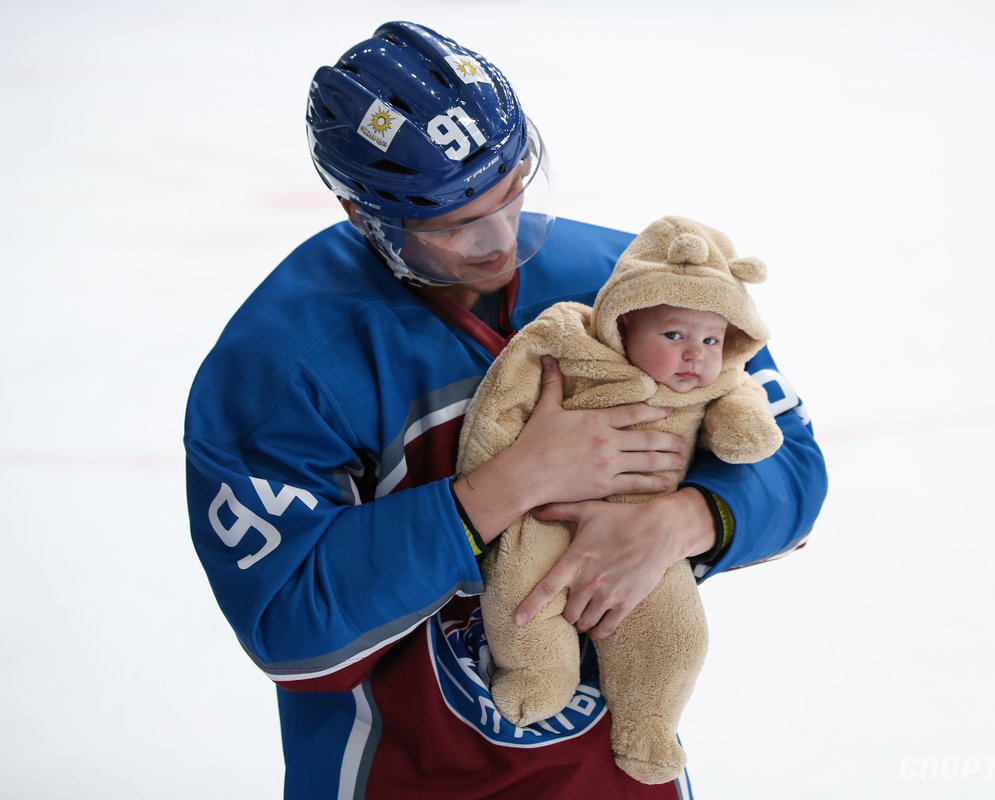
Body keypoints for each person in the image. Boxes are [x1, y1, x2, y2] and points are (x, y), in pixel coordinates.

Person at [184, 21, 827, 800]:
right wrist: (506, 487)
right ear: (365, 216)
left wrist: (681, 520)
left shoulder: (624, 282)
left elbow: (792, 461)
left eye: (514, 188)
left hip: (618, 775)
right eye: (454, 223)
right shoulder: (281, 365)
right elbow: (289, 627)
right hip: (405, 779)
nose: (499, 240)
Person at [457, 215, 786, 785]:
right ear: (625, 321)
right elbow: (504, 394)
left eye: (711, 340)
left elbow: (749, 412)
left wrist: (740, 431)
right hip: (544, 512)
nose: (694, 356)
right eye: (675, 335)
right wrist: (491, 474)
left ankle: (647, 724)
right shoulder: (571, 342)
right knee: (521, 597)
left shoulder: (719, 380)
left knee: (676, 634)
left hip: (643, 527)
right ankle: (540, 673)